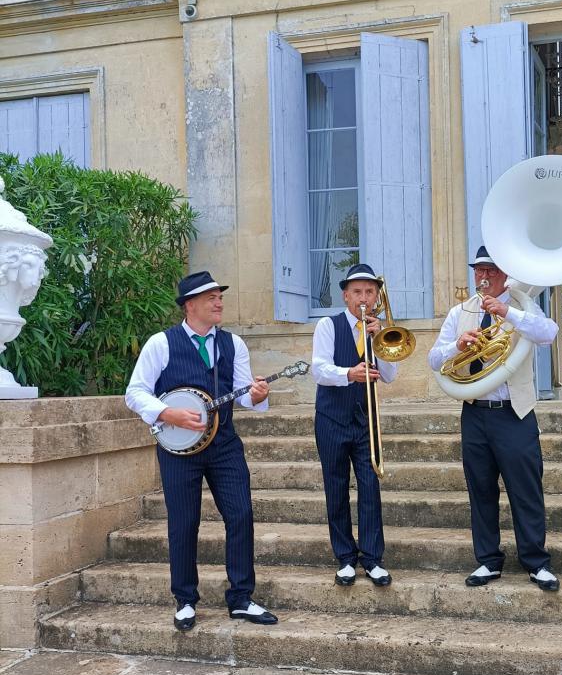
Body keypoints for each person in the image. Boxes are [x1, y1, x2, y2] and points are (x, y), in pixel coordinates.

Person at [125, 271, 277, 631]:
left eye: (219, 296)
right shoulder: (161, 344)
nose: (219, 301)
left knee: (240, 515)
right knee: (184, 522)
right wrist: (167, 412)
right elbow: (135, 392)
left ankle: (241, 598)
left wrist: (257, 396)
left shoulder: (233, 344)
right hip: (179, 450)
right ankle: (185, 600)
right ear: (190, 305)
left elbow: (244, 392)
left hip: (224, 444)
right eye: (211, 297)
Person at [428, 246, 560, 590]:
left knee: (525, 490)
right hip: (475, 413)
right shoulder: (460, 311)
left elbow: (549, 333)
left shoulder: (522, 307)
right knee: (481, 489)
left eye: (492, 271)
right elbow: (433, 358)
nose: (484, 277)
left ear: (506, 274)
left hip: (514, 413)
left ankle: (536, 561)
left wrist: (507, 313)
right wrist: (458, 346)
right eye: (479, 271)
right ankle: (488, 561)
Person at [312, 262, 397, 587]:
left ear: (376, 296)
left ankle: (372, 558)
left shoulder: (378, 328)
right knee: (335, 487)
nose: (364, 298)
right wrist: (349, 373)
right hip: (332, 419)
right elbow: (319, 370)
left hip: (365, 421)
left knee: (370, 486)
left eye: (370, 292)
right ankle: (345, 557)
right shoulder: (328, 326)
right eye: (357, 292)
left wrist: (379, 342)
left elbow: (389, 376)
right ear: (346, 295)